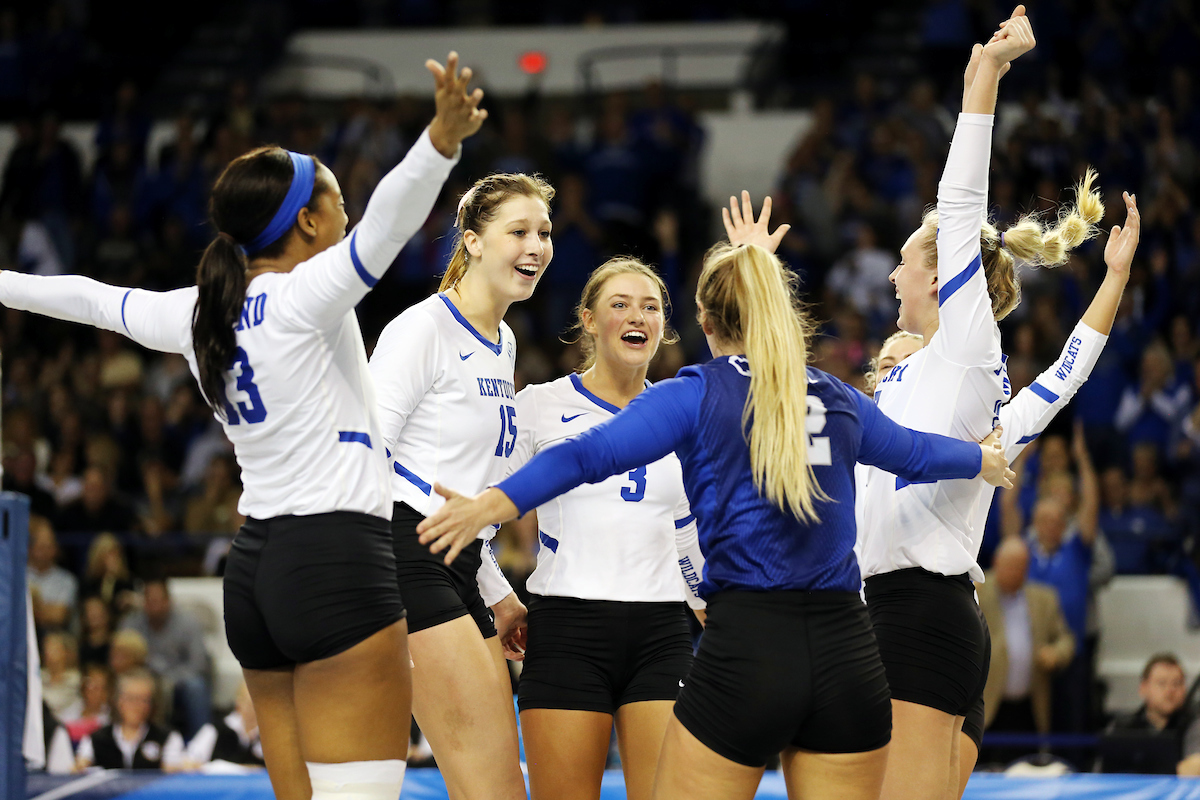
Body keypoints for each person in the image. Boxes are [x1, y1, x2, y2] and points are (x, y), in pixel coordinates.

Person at [0, 52, 485, 800]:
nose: (348, 211)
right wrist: (439, 143)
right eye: (337, 197)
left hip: (255, 569)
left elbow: (90, 298)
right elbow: (390, 223)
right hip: (334, 562)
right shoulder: (304, 296)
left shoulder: (198, 311)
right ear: (308, 221)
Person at [416, 234, 1013, 800]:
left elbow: (587, 455)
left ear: (703, 321)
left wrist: (494, 503)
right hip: (848, 656)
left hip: (750, 648)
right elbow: (916, 454)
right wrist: (981, 459)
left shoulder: (697, 391)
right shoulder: (835, 395)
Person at [853, 9, 1100, 799]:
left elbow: (958, 205)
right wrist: (1118, 282)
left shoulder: (962, 352)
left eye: (903, 263)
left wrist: (985, 78)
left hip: (917, 617)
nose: (893, 277)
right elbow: (1059, 383)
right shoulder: (918, 385)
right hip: (913, 615)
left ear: (939, 278)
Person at [367, 168, 555, 799]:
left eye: (544, 233)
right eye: (518, 231)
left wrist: (498, 591)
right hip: (406, 555)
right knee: (492, 788)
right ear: (472, 241)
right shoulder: (422, 329)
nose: (536, 246)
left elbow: (465, 494)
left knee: (497, 785)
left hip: (460, 561)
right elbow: (363, 457)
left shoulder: (504, 342)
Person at [508, 258, 706, 800]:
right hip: (567, 629)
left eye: (650, 306)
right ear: (589, 320)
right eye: (620, 304)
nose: (637, 315)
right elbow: (484, 508)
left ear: (663, 326)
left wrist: (710, 608)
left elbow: (685, 531)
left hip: (662, 634)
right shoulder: (539, 406)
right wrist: (497, 594)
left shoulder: (686, 414)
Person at [976, 538, 1074, 740]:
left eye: (1019, 567)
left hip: (1029, 705)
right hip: (986, 706)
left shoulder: (1044, 599)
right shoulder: (977, 593)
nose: (1014, 573)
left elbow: (1066, 639)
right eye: (1009, 566)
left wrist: (1055, 653)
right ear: (996, 563)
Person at [119, 578, 211, 739]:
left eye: (158, 600)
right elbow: (122, 654)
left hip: (179, 681)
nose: (154, 605)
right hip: (143, 679)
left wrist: (170, 680)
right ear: (143, 602)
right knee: (125, 684)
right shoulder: (132, 622)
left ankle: (201, 741)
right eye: (149, 600)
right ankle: (129, 738)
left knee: (196, 686)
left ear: (169, 601)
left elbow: (198, 663)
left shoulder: (187, 622)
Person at [76, 668, 187, 771]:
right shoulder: (96, 739)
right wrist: (80, 766)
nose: (137, 706)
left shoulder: (167, 737)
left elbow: (172, 774)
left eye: (144, 700)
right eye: (131, 698)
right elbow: (78, 769)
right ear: (119, 701)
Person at [186, 681, 265, 767]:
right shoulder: (214, 730)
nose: (253, 710)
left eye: (258, 705)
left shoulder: (267, 735)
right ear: (238, 703)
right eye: (249, 704)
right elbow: (189, 762)